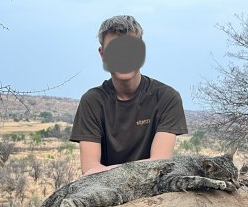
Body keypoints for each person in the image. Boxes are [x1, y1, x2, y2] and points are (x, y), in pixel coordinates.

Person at [70, 15, 188, 176]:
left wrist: (104, 171)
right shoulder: (92, 101)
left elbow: (160, 164)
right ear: (102, 54)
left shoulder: (167, 97)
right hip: (106, 192)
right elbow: (90, 170)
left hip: (154, 192)